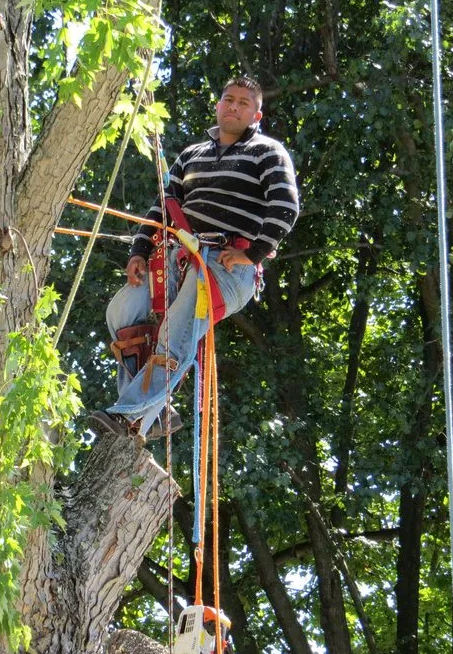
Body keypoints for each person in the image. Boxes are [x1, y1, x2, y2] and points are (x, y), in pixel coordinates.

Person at [89, 76, 299, 440]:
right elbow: (163, 207)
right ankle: (157, 412)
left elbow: (285, 206)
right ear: (218, 105)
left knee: (178, 330)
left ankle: (132, 417)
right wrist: (139, 250)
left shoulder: (267, 152)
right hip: (177, 258)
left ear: (256, 115)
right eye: (228, 99)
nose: (233, 106)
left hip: (225, 266)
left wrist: (254, 253)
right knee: (123, 314)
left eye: (243, 103)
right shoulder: (191, 155)